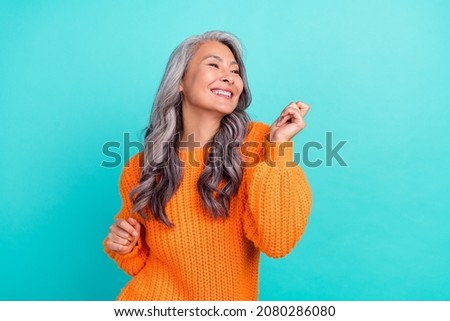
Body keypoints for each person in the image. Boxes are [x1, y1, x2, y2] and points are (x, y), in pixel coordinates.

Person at [103, 30, 312, 301]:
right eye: (214, 64)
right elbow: (139, 262)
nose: (229, 76)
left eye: (235, 71)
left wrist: (279, 146)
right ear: (180, 81)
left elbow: (278, 241)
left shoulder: (258, 143)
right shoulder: (141, 166)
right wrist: (125, 246)